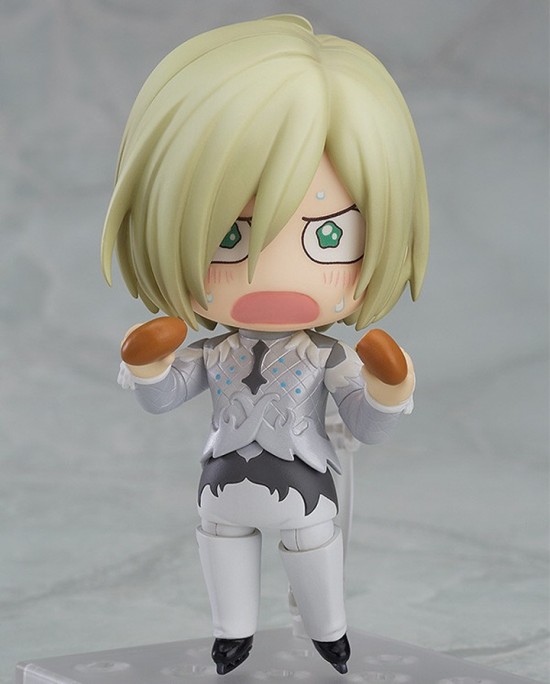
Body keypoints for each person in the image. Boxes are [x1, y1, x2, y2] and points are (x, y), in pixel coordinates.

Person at [101, 14, 429, 675]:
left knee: (312, 546)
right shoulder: (214, 355)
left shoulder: (326, 358)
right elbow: (162, 399)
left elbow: (367, 426)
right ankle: (233, 635)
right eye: (230, 237)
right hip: (223, 481)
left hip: (302, 481)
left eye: (327, 237)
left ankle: (329, 633)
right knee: (221, 537)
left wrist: (389, 390)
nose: (270, 275)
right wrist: (146, 366)